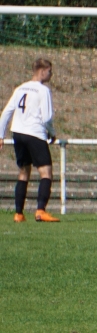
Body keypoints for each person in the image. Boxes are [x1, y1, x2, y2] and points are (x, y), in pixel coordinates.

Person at [0, 58, 59, 222]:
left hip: (18, 133)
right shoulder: (43, 90)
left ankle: (18, 214)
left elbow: (6, 112)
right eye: (50, 71)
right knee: (46, 172)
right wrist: (52, 133)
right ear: (43, 70)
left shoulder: (20, 88)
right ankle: (40, 211)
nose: (51, 75)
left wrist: (1, 135)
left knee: (24, 172)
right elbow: (47, 117)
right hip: (35, 133)